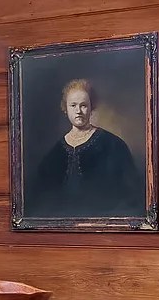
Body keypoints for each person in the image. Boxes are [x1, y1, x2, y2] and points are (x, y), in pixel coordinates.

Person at [29, 78, 145, 217]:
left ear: (91, 108)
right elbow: (41, 198)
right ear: (65, 109)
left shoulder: (113, 145)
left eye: (83, 105)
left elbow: (130, 195)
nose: (78, 111)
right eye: (73, 105)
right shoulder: (55, 152)